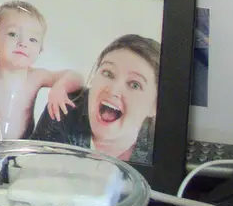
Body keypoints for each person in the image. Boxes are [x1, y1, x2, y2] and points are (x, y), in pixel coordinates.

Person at [30, 34, 160, 165]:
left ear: (154, 106)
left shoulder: (160, 147)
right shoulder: (63, 109)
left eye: (134, 85)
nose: (113, 90)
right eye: (108, 73)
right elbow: (29, 171)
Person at [0, 1, 83, 140]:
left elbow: (77, 77)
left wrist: (60, 87)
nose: (23, 43)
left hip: (24, 149)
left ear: (40, 50)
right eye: (12, 34)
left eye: (32, 39)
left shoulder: (35, 77)